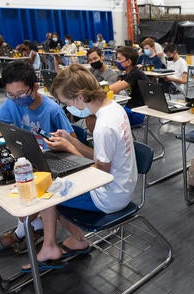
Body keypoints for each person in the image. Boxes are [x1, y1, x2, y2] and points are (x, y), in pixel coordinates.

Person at [23, 63, 137, 268]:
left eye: (67, 102)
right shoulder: (113, 109)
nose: (67, 108)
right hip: (121, 185)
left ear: (80, 97)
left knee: (49, 193)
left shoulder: (104, 126)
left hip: (110, 197)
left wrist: (69, 148)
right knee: (55, 184)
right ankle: (72, 240)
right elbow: (100, 158)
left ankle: (55, 245)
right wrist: (71, 140)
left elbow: (101, 172)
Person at [0, 61, 75, 253]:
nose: (17, 99)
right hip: (26, 159)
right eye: (11, 95)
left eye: (21, 94)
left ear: (35, 86)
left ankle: (24, 230)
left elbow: (72, 141)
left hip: (51, 162)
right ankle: (32, 227)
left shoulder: (52, 110)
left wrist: (59, 144)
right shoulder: (12, 103)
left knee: (28, 191)